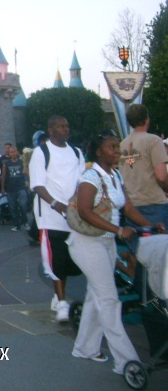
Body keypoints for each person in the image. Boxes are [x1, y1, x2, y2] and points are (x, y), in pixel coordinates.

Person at [68, 130, 161, 375]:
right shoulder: (90, 177)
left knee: (95, 296)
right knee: (109, 300)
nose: (117, 152)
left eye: (117, 147)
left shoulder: (115, 175)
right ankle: (126, 361)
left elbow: (127, 207)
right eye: (112, 148)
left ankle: (85, 347)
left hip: (106, 242)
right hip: (86, 244)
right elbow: (85, 211)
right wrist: (119, 230)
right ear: (99, 151)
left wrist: (149, 226)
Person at [29, 115, 85, 322]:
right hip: (50, 216)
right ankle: (62, 303)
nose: (65, 129)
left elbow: (81, 182)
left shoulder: (76, 153)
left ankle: (57, 295)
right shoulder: (41, 152)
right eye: (61, 126)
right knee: (55, 258)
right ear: (51, 130)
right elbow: (38, 184)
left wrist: (72, 202)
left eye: (67, 126)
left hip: (72, 213)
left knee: (69, 260)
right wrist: (56, 204)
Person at [118, 104, 168, 225]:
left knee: (138, 243)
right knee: (159, 242)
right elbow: (161, 176)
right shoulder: (153, 140)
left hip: (131, 205)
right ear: (147, 118)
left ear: (129, 123)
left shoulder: (122, 144)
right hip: (154, 203)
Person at [1, 146, 29, 231]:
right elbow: (3, 176)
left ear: (17, 152)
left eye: (14, 152)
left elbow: (27, 173)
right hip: (10, 188)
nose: (13, 153)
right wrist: (2, 188)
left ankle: (25, 222)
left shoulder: (21, 162)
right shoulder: (6, 164)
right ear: (9, 154)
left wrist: (29, 185)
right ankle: (16, 225)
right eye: (11, 152)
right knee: (13, 207)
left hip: (21, 187)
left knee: (23, 205)